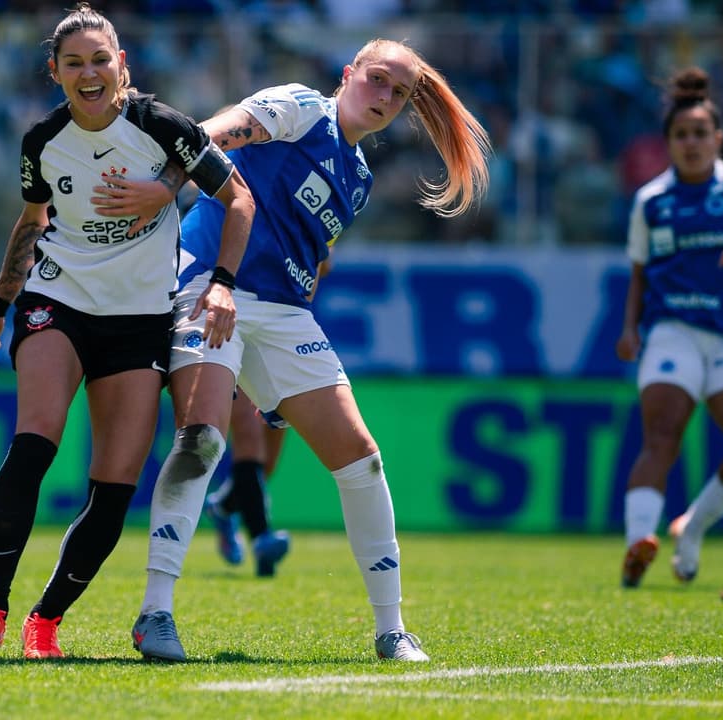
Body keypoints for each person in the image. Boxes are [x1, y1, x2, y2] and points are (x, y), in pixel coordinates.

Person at [95, 38, 490, 662]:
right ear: (348, 74)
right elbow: (217, 130)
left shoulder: (357, 177)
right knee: (201, 439)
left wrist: (310, 263)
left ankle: (392, 630)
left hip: (282, 314)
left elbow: (312, 246)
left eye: (399, 93)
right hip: (207, 285)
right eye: (377, 80)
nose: (384, 98)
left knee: (362, 459)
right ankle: (155, 613)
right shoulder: (303, 107)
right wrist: (168, 184)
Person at [0, 3, 254, 660]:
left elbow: (239, 200)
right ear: (54, 72)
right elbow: (32, 224)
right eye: (74, 63)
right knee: (36, 442)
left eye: (99, 60)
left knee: (115, 485)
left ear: (123, 65)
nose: (89, 73)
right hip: (57, 301)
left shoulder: (164, 129)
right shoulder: (42, 141)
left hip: (140, 319)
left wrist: (223, 281)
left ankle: (46, 620)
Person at [615, 67, 723, 589]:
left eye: (700, 133)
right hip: (672, 330)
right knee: (661, 435)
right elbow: (639, 271)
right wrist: (629, 329)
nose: (691, 143)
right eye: (681, 134)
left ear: (718, 138)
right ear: (668, 142)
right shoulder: (651, 201)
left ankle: (692, 527)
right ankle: (639, 540)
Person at [203, 386, 291, 577]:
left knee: (266, 463)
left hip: (279, 360)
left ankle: (223, 507)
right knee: (248, 434)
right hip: (238, 360)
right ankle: (262, 538)